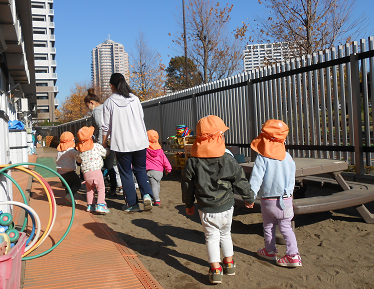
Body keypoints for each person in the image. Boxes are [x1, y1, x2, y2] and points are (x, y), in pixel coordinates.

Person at [181, 115, 253, 284]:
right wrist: (248, 197)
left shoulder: (193, 161)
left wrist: (189, 203)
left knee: (211, 237)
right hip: (227, 205)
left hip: (206, 207)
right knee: (226, 234)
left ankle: (215, 270)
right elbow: (240, 180)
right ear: (219, 137)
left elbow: (187, 185)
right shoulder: (228, 159)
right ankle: (229, 264)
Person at [248, 119, 302, 267]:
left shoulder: (263, 158)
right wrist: (289, 195)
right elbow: (292, 179)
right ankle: (293, 255)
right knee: (286, 227)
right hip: (286, 200)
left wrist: (250, 197)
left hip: (268, 200)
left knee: (268, 226)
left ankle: (270, 251)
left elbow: (255, 179)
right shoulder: (288, 157)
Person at [101, 73, 153, 213]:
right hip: (140, 141)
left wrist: (104, 143)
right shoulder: (135, 99)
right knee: (141, 169)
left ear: (112, 85)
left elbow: (106, 126)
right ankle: (147, 195)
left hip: (122, 143)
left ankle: (132, 204)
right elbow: (141, 118)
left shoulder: (109, 102)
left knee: (126, 173)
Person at [84, 89, 118, 197]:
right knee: (110, 165)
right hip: (113, 140)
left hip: (104, 142)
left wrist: (100, 143)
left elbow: (101, 127)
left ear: (91, 103)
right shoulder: (106, 107)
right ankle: (112, 187)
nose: (88, 108)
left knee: (101, 166)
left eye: (87, 106)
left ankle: (103, 188)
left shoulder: (97, 111)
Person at [75, 126, 110, 214]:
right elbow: (105, 153)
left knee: (90, 190)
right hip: (96, 171)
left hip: (86, 174)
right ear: (91, 137)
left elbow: (78, 160)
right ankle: (101, 205)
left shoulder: (80, 150)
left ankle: (90, 205)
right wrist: (107, 149)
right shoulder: (96, 146)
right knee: (101, 188)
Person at [146, 130, 172, 206]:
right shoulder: (160, 150)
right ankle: (155, 196)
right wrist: (168, 168)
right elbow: (165, 160)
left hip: (150, 170)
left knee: (152, 185)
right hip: (159, 171)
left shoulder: (145, 150)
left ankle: (156, 199)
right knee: (157, 184)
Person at [56, 131, 81, 205]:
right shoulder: (71, 150)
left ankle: (68, 200)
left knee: (68, 186)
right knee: (77, 183)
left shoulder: (60, 150)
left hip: (60, 172)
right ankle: (69, 196)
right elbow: (78, 157)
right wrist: (80, 160)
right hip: (68, 171)